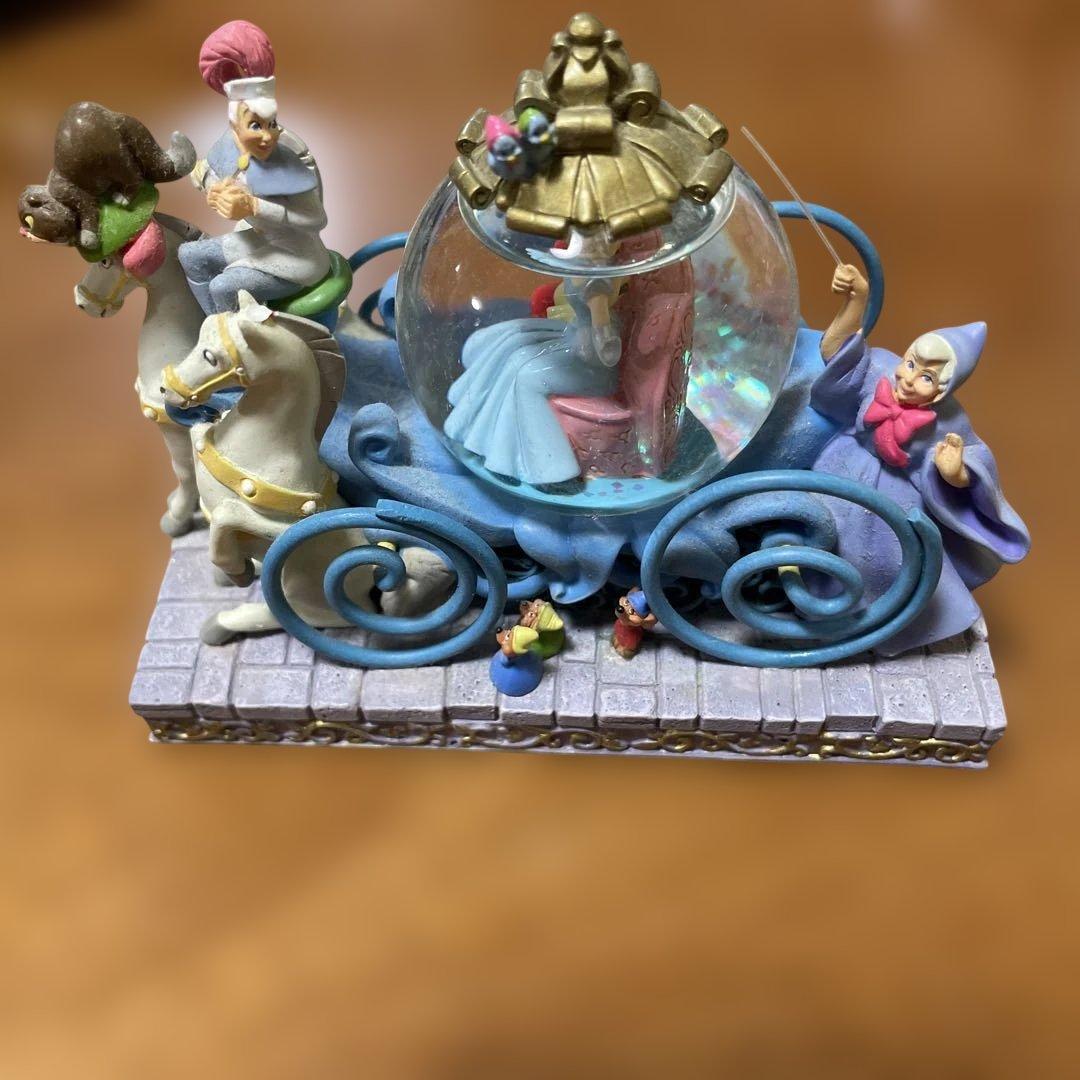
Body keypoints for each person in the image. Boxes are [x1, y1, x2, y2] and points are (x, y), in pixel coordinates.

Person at [809, 264, 1030, 653]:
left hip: (892, 495)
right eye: (911, 364)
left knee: (892, 557)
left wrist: (956, 473)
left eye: (927, 377)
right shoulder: (881, 369)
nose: (909, 379)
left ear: (944, 389)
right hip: (842, 466)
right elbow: (837, 354)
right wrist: (855, 303)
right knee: (816, 526)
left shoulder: (948, 420)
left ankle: (884, 624)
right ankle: (812, 603)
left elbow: (974, 459)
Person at [443, 230, 623, 486]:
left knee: (527, 377)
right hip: (573, 336)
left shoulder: (597, 284)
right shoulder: (580, 264)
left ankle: (551, 468)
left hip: (593, 364)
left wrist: (598, 340)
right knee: (515, 344)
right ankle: (483, 434)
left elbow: (606, 347)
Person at [178, 20, 330, 314]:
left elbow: (316, 218)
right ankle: (210, 320)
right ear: (235, 126)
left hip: (296, 256)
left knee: (223, 286)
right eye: (256, 126)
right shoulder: (227, 149)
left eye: (271, 124)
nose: (267, 136)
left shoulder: (288, 164)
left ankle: (230, 336)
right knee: (190, 255)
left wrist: (254, 207)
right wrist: (213, 191)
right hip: (259, 241)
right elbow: (211, 175)